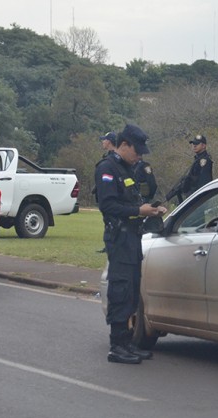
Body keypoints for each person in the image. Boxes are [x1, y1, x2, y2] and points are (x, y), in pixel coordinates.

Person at [95, 124, 167, 364]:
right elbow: (108, 205)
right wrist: (138, 210)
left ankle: (127, 343)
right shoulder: (108, 168)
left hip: (133, 238)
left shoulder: (128, 169)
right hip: (119, 238)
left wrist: (151, 211)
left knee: (132, 291)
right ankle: (117, 345)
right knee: (120, 289)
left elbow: (135, 199)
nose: (140, 156)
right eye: (137, 151)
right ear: (123, 145)